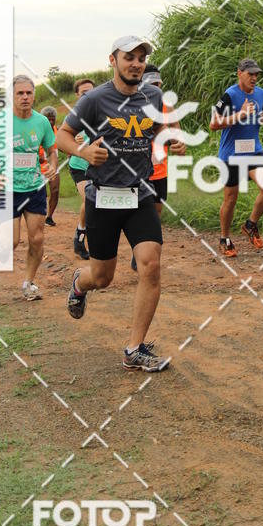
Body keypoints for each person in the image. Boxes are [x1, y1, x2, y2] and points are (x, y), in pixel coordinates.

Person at [56, 36, 170, 372]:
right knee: (102, 276)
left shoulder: (154, 95)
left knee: (150, 264)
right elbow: (64, 135)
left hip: (140, 194)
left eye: (141, 58)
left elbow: (156, 130)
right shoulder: (94, 99)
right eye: (129, 57)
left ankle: (134, 348)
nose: (136, 63)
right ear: (113, 60)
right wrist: (83, 151)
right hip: (103, 197)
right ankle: (81, 282)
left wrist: (168, 143)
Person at [210, 58, 263, 258]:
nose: (254, 78)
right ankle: (225, 238)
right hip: (231, 153)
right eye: (250, 74)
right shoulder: (229, 95)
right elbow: (214, 124)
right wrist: (239, 115)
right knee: (230, 199)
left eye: (256, 74)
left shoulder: (262, 94)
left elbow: (262, 113)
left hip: (253, 149)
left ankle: (250, 225)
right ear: (240, 73)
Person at [130, 64, 186, 271]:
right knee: (139, 212)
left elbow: (176, 129)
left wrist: (179, 143)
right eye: (152, 84)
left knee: (157, 210)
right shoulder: (134, 104)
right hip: (137, 169)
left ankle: (142, 249)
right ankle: (141, 252)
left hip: (160, 168)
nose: (156, 88)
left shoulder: (165, 104)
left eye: (158, 84)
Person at [11, 75, 57, 300]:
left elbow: (52, 150)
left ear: (34, 95)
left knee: (37, 239)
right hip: (7, 189)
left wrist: (52, 166)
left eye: (28, 93)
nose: (25, 97)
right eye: (20, 93)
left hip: (35, 187)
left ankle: (28, 283)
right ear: (12, 95)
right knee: (12, 241)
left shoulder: (41, 122)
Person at [68, 78, 95, 260]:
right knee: (90, 199)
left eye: (90, 91)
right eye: (83, 92)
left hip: (98, 167)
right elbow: (62, 141)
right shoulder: (74, 116)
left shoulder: (102, 111)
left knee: (97, 204)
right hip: (79, 167)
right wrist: (73, 142)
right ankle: (81, 237)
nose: (87, 94)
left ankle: (82, 232)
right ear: (77, 95)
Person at [39, 106, 59, 227]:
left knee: (55, 191)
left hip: (53, 166)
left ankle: (49, 217)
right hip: (39, 167)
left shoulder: (57, 130)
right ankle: (38, 216)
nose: (51, 122)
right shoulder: (37, 130)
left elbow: (60, 145)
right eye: (48, 119)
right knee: (42, 194)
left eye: (53, 119)